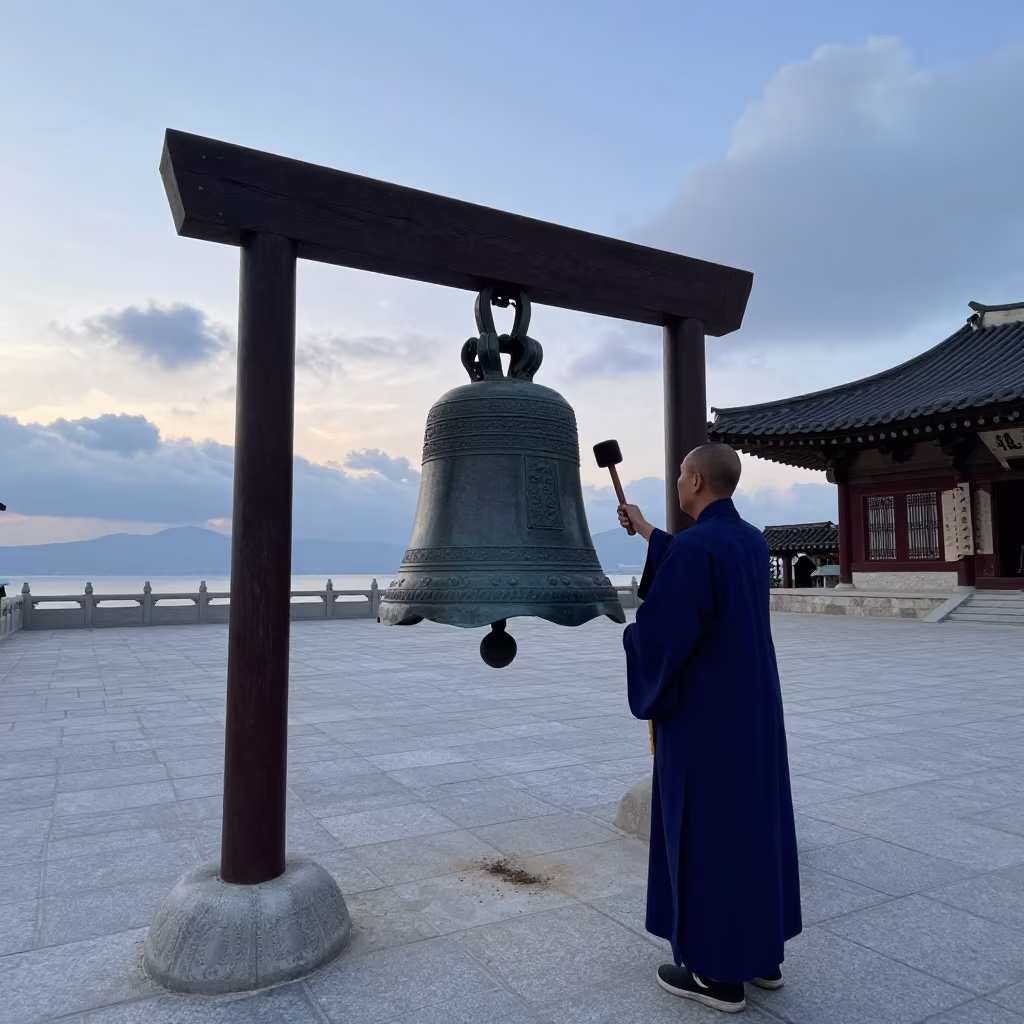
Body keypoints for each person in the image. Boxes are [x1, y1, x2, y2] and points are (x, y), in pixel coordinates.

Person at [617, 442, 801, 1015]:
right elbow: (700, 562)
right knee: (751, 829)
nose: (677, 481)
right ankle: (761, 957)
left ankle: (717, 976)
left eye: (680, 474)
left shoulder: (699, 549)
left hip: (705, 720)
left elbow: (663, 636)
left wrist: (631, 639)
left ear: (695, 481)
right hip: (752, 715)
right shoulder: (750, 541)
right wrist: (647, 531)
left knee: (707, 836)